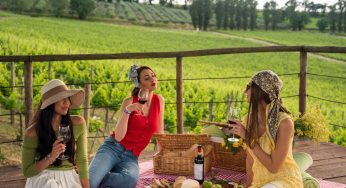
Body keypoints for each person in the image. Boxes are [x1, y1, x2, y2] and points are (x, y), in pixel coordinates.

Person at [89, 65, 165, 188]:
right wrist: (127, 111)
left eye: (153, 75)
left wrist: (163, 156)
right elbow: (118, 137)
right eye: (147, 78)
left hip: (131, 157)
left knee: (129, 180)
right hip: (112, 148)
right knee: (91, 184)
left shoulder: (159, 101)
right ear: (139, 84)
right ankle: (93, 176)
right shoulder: (129, 102)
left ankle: (96, 174)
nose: (153, 79)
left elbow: (160, 133)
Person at [230, 70, 303, 188]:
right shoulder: (248, 120)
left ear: (261, 91)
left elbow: (274, 167)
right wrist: (248, 185)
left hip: (284, 180)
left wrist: (247, 137)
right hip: (260, 183)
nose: (245, 90)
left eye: (249, 86)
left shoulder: (284, 123)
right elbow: (250, 159)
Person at [22, 79, 89, 188]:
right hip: (44, 178)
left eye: (68, 98)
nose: (67, 103)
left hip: (70, 177)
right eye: (62, 99)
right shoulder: (33, 132)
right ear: (50, 103)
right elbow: (27, 171)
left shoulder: (78, 123)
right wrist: (51, 157)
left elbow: (82, 160)